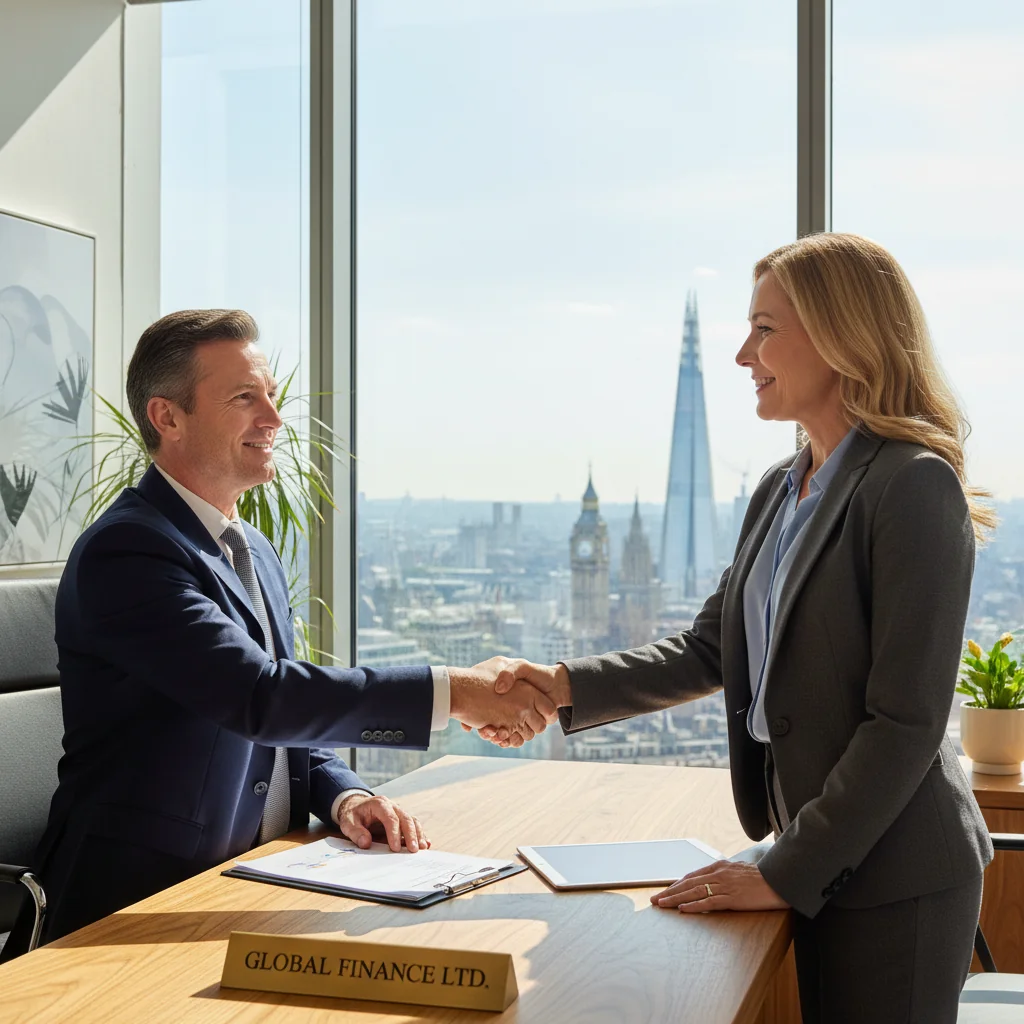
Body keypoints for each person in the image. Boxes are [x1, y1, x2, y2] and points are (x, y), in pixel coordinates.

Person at [486, 234, 995, 1023]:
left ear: (838, 335)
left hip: (897, 873)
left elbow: (906, 723)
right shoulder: (779, 488)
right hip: (819, 851)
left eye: (764, 329)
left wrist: (785, 869)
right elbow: (713, 649)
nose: (741, 354)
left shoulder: (912, 484)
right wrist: (560, 687)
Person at [2, 309, 554, 959]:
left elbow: (286, 723)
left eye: (270, 395)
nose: (273, 417)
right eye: (245, 398)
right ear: (167, 417)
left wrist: (344, 794)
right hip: (137, 910)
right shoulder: (128, 553)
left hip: (256, 887)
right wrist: (458, 691)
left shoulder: (253, 549)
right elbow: (262, 697)